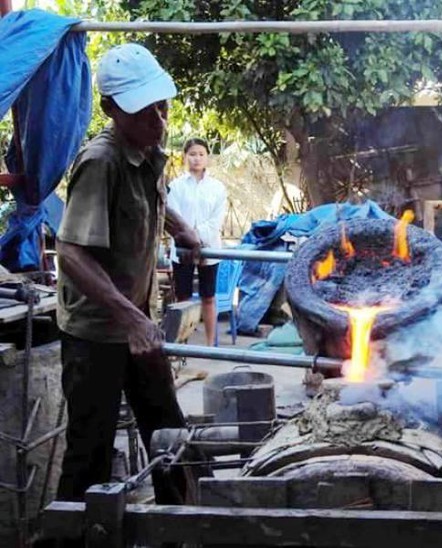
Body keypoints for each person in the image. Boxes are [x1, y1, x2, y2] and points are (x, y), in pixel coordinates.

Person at [55, 43, 202, 514]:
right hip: (97, 334)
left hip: (137, 323)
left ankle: (181, 530)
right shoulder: (102, 162)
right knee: (89, 457)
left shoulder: (147, 151)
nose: (159, 120)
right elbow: (71, 251)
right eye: (145, 112)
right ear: (112, 110)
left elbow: (148, 203)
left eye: (162, 107)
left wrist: (180, 227)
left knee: (169, 433)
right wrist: (130, 319)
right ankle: (71, 538)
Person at [166, 138, 227, 346]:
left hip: (209, 248)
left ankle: (211, 345)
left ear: (207, 157)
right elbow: (173, 218)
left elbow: (216, 221)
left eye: (201, 154)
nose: (197, 158)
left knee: (208, 297)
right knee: (182, 297)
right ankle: (182, 346)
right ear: (185, 157)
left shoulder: (217, 188)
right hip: (182, 249)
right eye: (192, 154)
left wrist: (198, 237)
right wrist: (188, 238)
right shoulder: (175, 187)